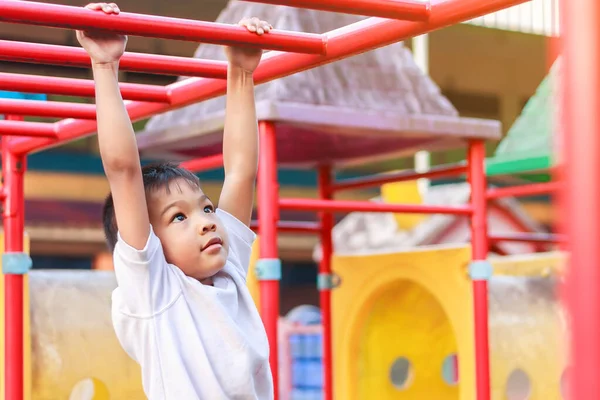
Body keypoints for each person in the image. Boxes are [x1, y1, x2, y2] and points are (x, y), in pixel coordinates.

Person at [76, 3, 274, 399]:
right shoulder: (157, 289)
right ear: (150, 244)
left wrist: (241, 74)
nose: (205, 220)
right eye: (178, 218)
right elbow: (124, 171)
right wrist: (103, 66)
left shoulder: (227, 268)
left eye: (205, 208)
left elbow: (239, 170)